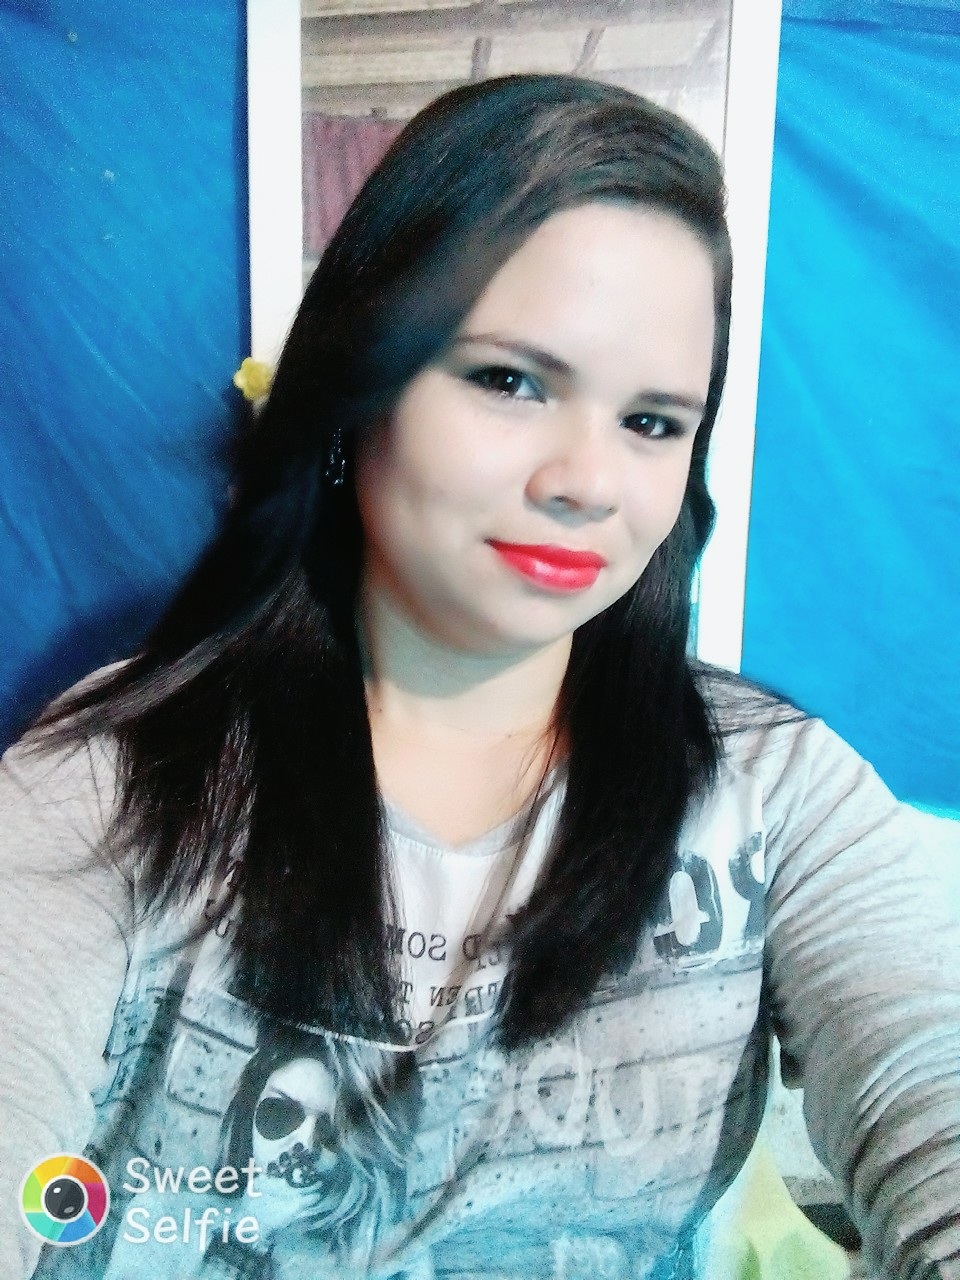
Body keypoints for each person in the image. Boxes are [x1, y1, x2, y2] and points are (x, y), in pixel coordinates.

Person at [0, 73, 957, 1280]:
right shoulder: (118, 778)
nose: (587, 480)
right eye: (510, 380)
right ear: (358, 391)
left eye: (653, 422)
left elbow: (930, 1074)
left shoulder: (778, 789)